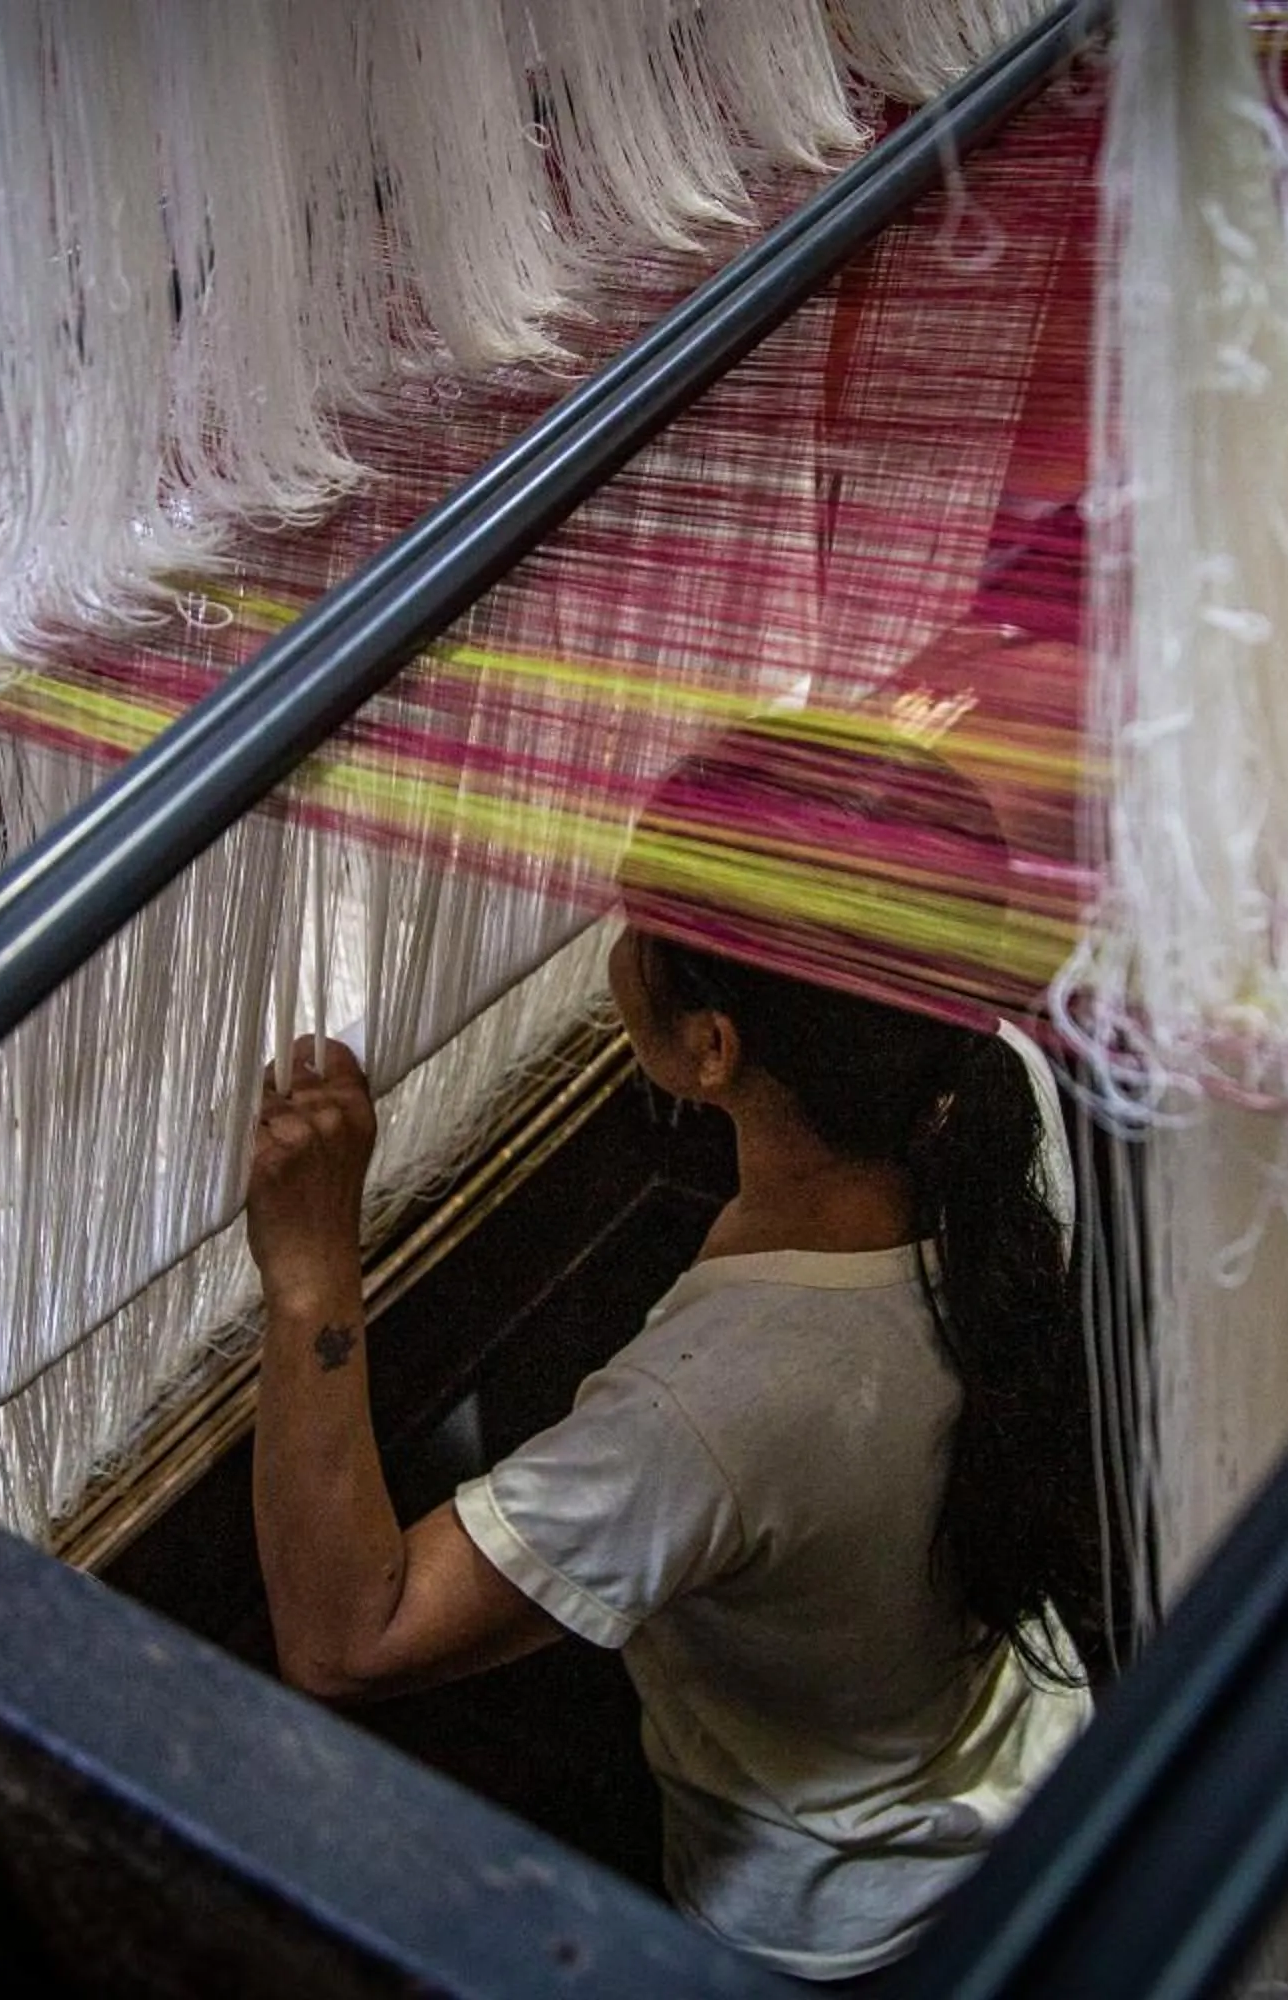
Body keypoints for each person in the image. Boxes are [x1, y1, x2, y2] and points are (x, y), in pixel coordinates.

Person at [243, 721, 1104, 1983]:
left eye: (642, 928)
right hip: (1038, 1786)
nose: (617, 950)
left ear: (712, 1048)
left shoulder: (713, 1410)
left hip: (837, 1929)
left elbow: (346, 1636)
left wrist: (311, 1270)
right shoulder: (997, 1087)